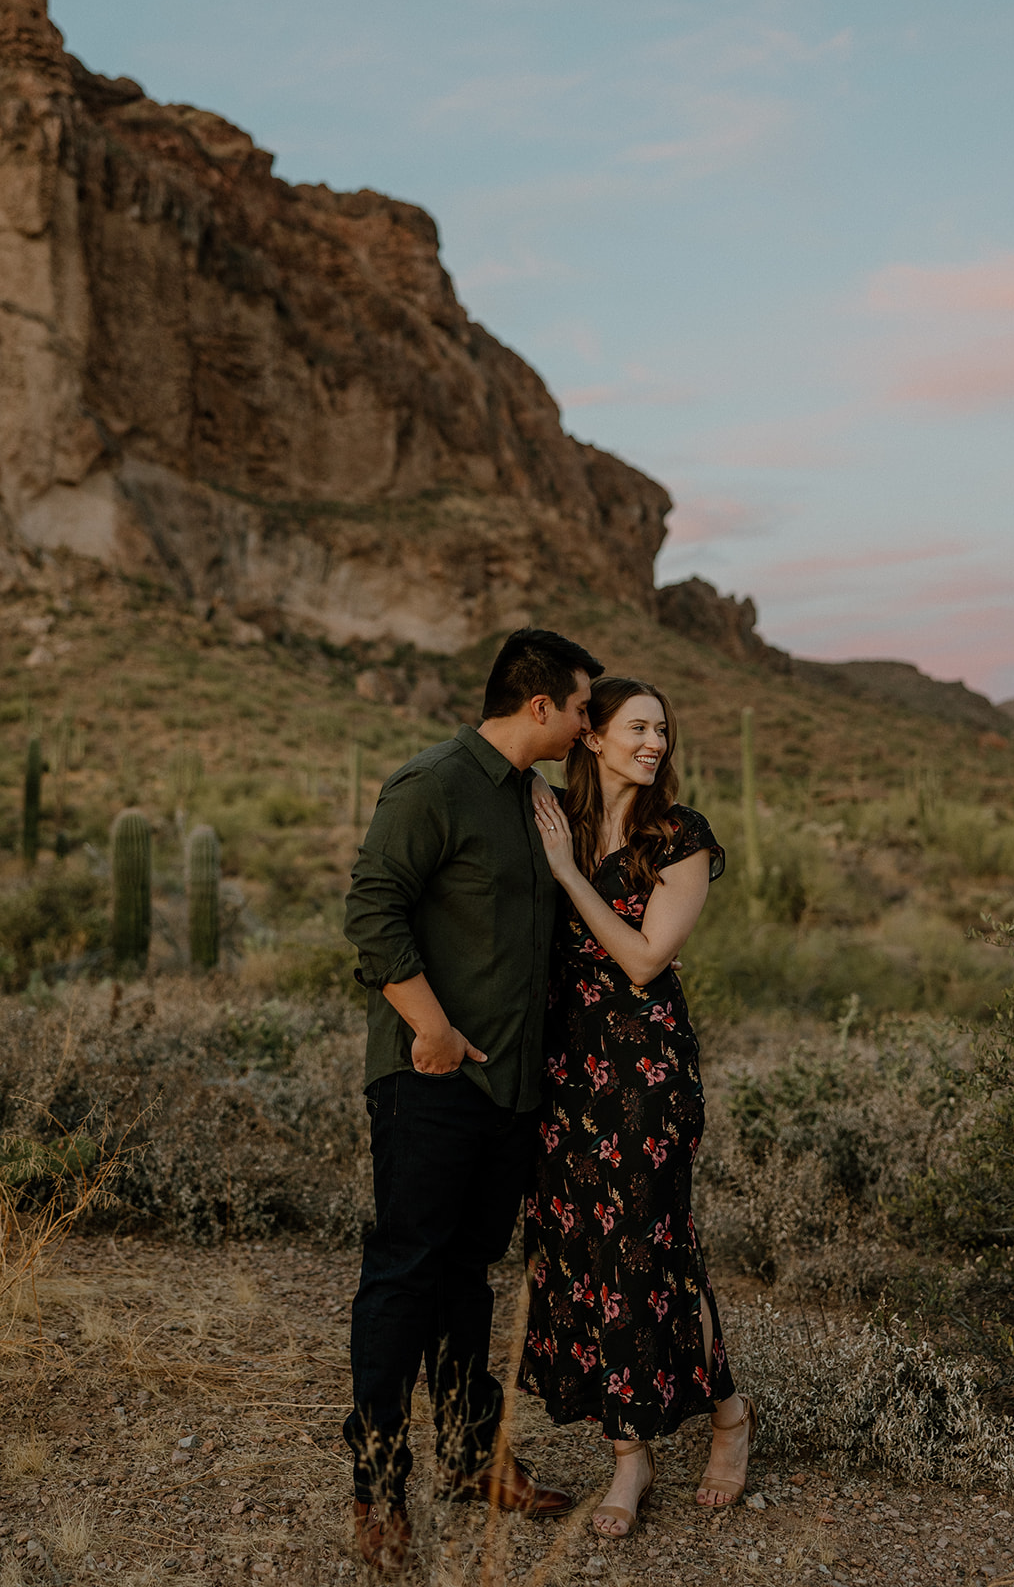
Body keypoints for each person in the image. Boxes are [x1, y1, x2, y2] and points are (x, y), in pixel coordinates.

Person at [342, 626, 604, 1575]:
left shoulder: (537, 802)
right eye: (582, 707)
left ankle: (468, 1458)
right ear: (540, 705)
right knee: (405, 1274)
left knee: (466, 1277)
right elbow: (371, 909)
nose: (588, 724)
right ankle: (377, 1488)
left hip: (512, 1091)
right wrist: (433, 1030)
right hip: (433, 1080)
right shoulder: (433, 784)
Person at [519, 675, 756, 1539]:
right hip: (563, 1070)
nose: (654, 743)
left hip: (645, 1072)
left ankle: (722, 1419)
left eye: (662, 729)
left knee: (652, 1243)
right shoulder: (548, 813)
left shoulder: (677, 836)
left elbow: (646, 959)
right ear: (592, 736)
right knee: (580, 1247)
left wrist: (564, 877)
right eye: (636, 728)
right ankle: (634, 1453)